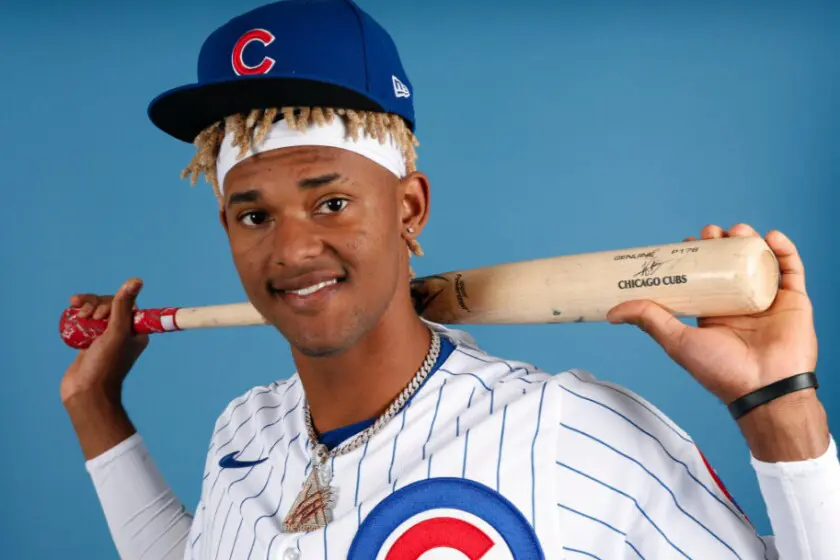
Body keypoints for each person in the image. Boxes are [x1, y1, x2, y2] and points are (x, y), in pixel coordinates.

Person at [61, 1, 839, 558]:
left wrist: (780, 410)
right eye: (254, 215)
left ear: (409, 207)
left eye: (332, 202)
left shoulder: (568, 432)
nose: (292, 249)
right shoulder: (243, 432)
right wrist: (96, 411)